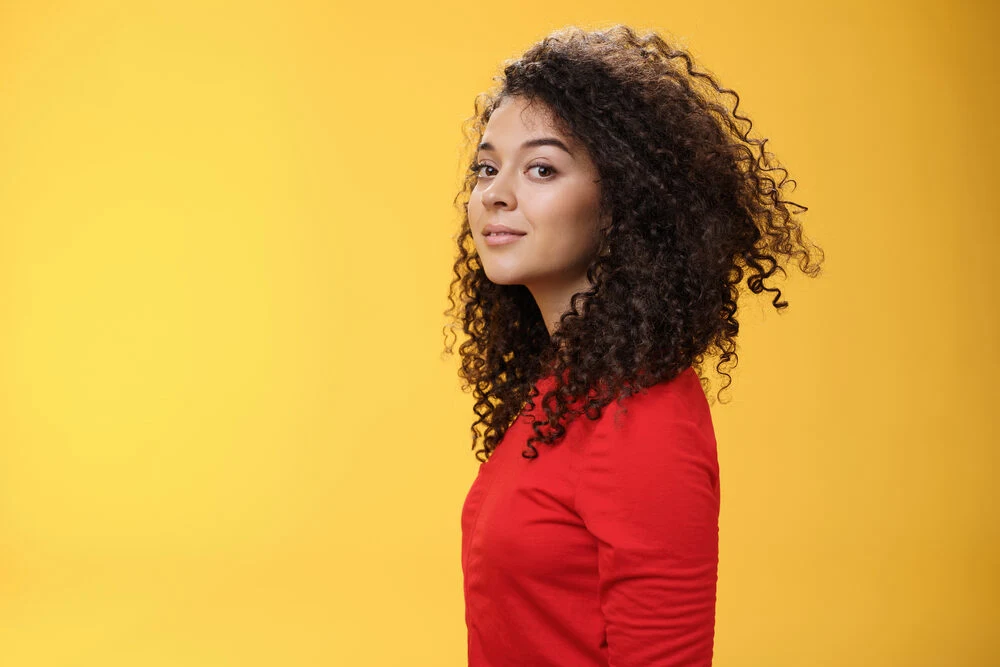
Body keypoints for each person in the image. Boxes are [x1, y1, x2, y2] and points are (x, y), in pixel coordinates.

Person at [443, 24, 823, 666]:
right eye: (486, 167)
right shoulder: (559, 387)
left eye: (541, 168)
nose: (495, 193)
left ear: (622, 202)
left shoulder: (639, 417)